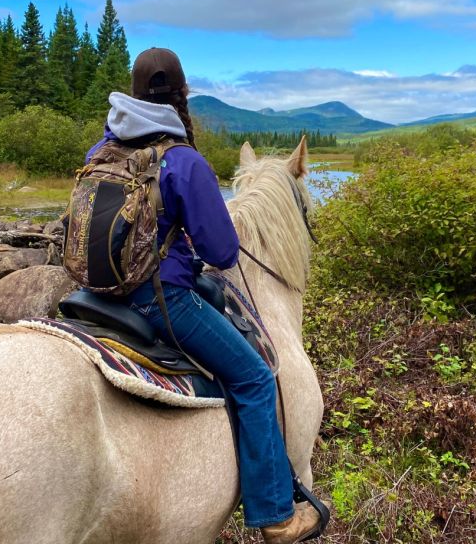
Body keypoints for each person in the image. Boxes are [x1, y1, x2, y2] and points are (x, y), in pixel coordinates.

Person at [83, 47, 323, 543]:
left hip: (95, 294)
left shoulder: (102, 150)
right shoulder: (182, 159)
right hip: (157, 299)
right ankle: (277, 515)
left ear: (132, 91)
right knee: (256, 378)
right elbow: (221, 250)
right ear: (181, 93)